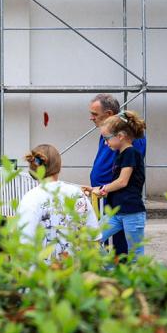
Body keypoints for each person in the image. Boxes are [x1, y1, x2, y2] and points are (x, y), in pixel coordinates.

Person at [88, 94, 147, 258]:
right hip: (106, 195)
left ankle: (124, 271)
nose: (91, 118)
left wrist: (105, 188)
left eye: (95, 114)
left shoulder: (130, 144)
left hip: (119, 198)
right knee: (99, 238)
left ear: (108, 114)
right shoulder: (108, 132)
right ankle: (110, 269)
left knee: (125, 244)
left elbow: (124, 177)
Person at [19, 145, 99, 261]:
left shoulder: (30, 198)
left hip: (42, 274)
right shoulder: (77, 193)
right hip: (77, 272)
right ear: (59, 166)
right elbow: (94, 238)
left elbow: (24, 244)